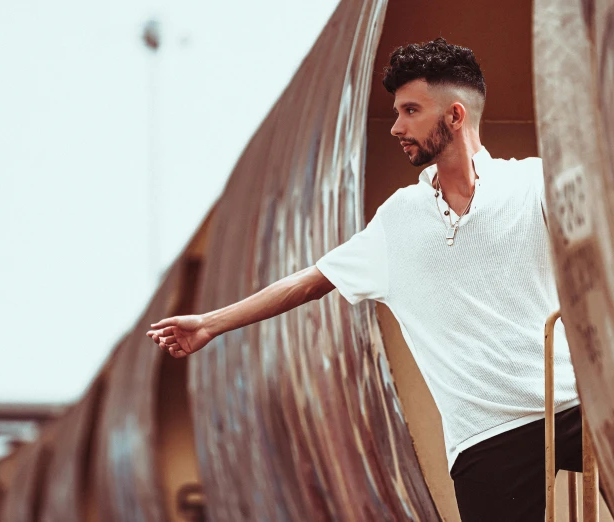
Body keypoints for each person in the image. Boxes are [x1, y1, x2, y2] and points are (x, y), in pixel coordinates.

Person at [147, 38, 582, 521]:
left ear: (455, 117)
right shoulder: (397, 221)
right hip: (485, 437)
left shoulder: (532, 184)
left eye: (410, 111)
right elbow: (310, 281)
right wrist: (210, 323)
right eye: (396, 112)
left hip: (575, 408)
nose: (397, 126)